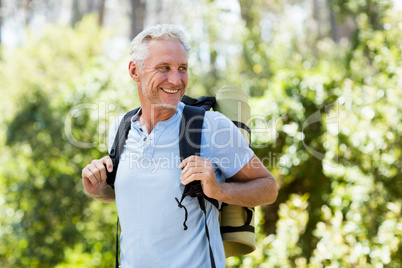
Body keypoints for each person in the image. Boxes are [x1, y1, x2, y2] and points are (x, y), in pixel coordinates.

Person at [82, 24, 278, 268]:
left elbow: (268, 187)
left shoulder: (210, 126)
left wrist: (218, 190)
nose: (176, 80)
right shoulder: (120, 129)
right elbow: (131, 197)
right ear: (135, 71)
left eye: (182, 68)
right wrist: (97, 189)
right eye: (164, 68)